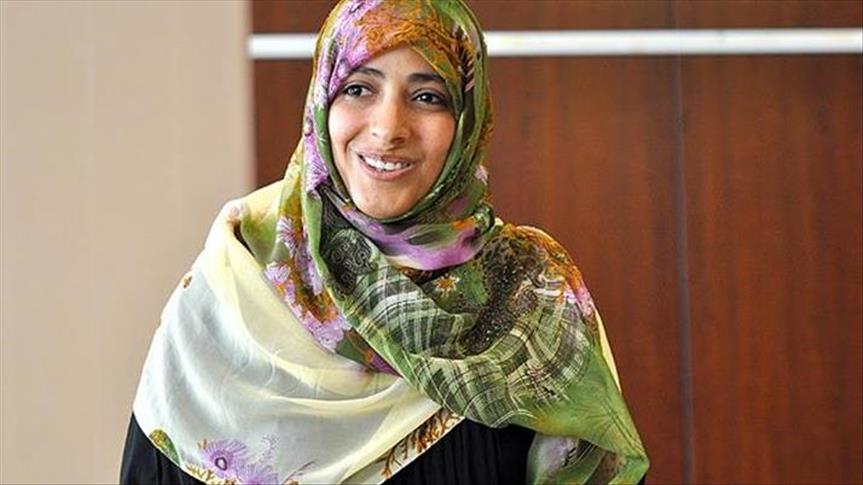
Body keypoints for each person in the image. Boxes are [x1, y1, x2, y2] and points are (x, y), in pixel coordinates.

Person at [121, 0, 649, 483]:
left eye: (427, 97)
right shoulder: (232, 285)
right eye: (358, 89)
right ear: (322, 101)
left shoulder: (531, 294)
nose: (388, 127)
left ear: (468, 120)